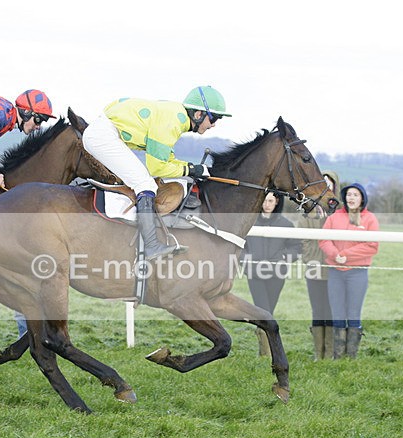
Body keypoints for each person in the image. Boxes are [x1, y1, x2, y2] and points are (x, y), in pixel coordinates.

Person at [81, 86, 230, 259]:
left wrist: (192, 168)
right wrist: (190, 169)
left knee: (145, 180)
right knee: (145, 184)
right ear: (198, 114)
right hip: (103, 136)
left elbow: (167, 158)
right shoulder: (174, 120)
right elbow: (157, 167)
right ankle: (151, 245)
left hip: (105, 133)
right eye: (214, 118)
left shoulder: (176, 117)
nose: (214, 125)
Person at [319, 182, 379, 359]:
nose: (351, 198)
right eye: (349, 194)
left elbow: (372, 246)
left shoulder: (369, 219)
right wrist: (335, 254)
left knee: (353, 312)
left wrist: (346, 254)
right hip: (336, 272)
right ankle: (338, 355)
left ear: (362, 198)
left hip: (358, 272)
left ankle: (351, 355)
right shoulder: (334, 218)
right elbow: (323, 240)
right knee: (337, 312)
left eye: (355, 195)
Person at [242, 192, 302, 356]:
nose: (267, 204)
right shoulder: (249, 222)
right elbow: (240, 245)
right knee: (263, 311)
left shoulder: (286, 224)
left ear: (276, 202)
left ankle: (268, 348)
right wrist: (247, 258)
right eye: (264, 200)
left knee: (269, 312)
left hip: (277, 274)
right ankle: (266, 354)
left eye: (270, 200)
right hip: (255, 273)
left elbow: (296, 247)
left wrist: (283, 257)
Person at [293, 171, 339, 360]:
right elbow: (302, 240)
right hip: (313, 267)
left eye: (330, 185)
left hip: (334, 269)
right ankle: (317, 353)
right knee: (317, 309)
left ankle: (329, 352)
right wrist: (308, 259)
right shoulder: (308, 211)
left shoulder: (339, 212)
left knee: (331, 310)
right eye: (323, 184)